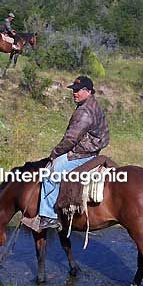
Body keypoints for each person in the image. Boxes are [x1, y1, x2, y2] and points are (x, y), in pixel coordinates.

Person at [34, 76, 109, 230]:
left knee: (51, 173)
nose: (74, 93)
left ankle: (48, 216)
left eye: (77, 90)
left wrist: (55, 153)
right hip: (93, 149)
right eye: (73, 90)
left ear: (88, 91)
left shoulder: (84, 112)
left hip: (82, 153)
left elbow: (71, 139)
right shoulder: (94, 104)